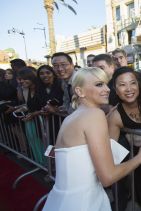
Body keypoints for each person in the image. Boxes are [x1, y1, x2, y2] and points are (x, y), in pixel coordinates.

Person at [42, 67, 141, 211]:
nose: (107, 89)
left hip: (62, 199)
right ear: (80, 91)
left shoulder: (72, 117)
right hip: (83, 202)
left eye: (107, 84)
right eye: (99, 84)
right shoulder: (94, 115)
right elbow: (108, 177)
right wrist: (139, 158)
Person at [108, 67, 141, 210]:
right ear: (115, 89)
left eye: (132, 83)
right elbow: (111, 152)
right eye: (122, 85)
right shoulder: (115, 115)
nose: (128, 89)